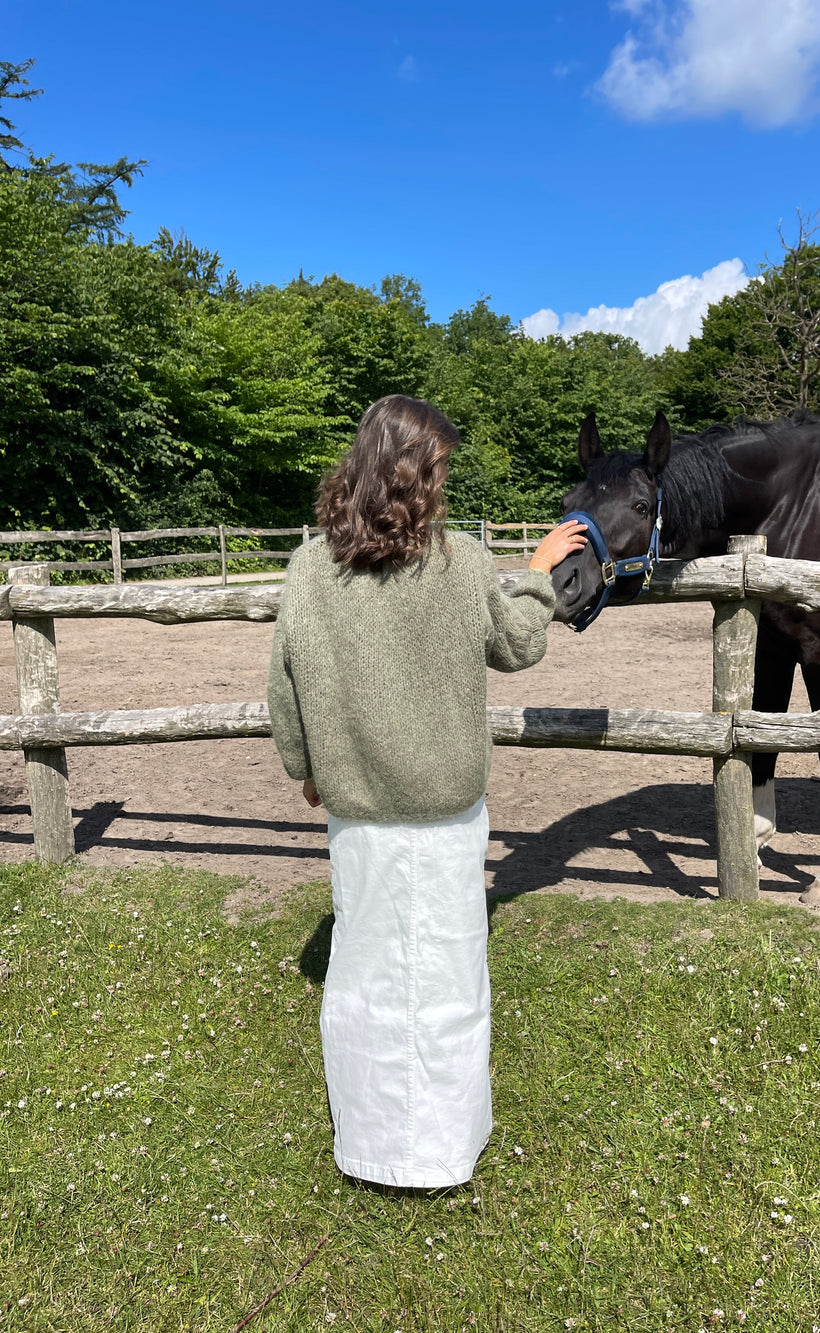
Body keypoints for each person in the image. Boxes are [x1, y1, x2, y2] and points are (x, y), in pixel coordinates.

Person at [267, 394, 586, 1189]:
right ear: (417, 473)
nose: (442, 482)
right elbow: (518, 644)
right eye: (438, 469)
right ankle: (442, 1146)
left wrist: (308, 769)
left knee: (364, 971)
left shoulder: (310, 567)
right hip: (446, 811)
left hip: (358, 808)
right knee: (447, 975)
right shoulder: (463, 562)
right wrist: (539, 573)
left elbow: (284, 686)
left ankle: (371, 1141)